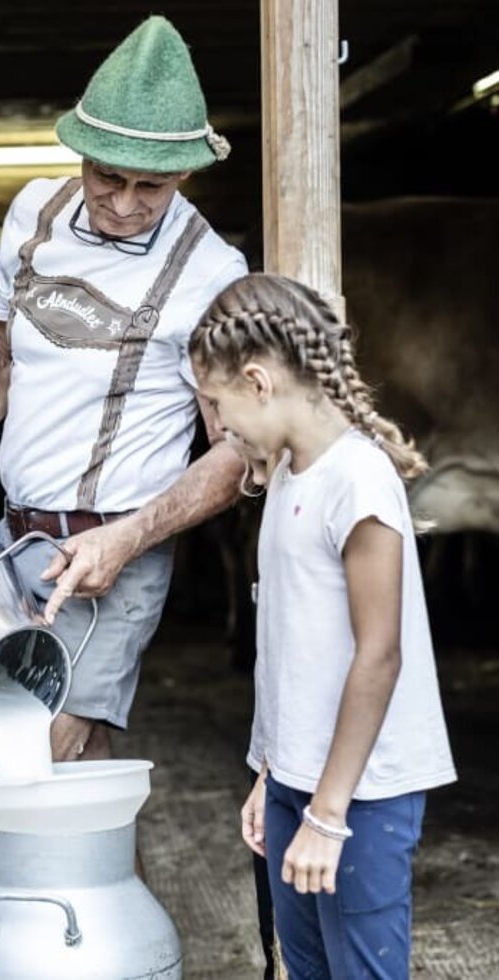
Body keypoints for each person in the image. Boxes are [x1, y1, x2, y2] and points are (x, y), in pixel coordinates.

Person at [0, 15, 247, 763]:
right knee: (17, 755)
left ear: (186, 174)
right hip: (10, 538)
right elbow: (0, 359)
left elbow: (238, 452)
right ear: (79, 154)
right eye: (105, 177)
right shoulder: (34, 214)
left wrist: (128, 539)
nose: (121, 202)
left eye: (148, 186)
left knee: (47, 755)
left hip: (114, 551)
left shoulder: (213, 274)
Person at [188, 273, 457, 979]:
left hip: (361, 794)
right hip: (297, 782)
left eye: (214, 405)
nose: (216, 429)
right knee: (302, 966)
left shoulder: (358, 481)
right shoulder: (287, 475)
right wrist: (273, 774)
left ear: (256, 381)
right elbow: (296, 647)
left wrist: (327, 814)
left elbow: (379, 657)